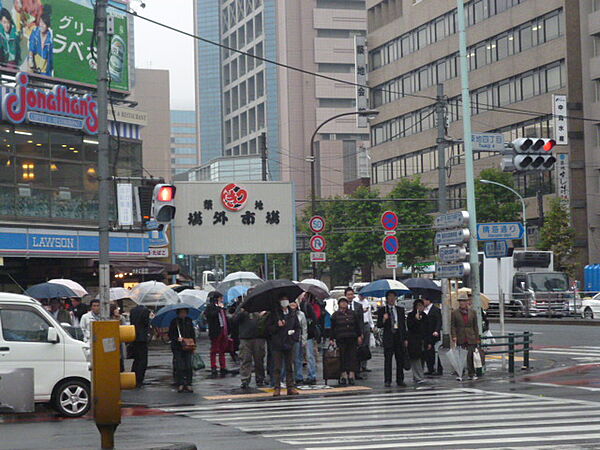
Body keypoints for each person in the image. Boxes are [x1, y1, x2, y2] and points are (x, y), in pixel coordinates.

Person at [267, 295, 300, 396]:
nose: (284, 301)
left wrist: (294, 337)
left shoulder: (292, 313)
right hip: (277, 343)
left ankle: (290, 387)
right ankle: (277, 387)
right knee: (277, 367)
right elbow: (269, 329)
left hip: (289, 342)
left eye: (286, 299)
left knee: (289, 366)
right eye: (282, 299)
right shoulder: (274, 314)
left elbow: (297, 327)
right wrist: (277, 325)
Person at [377, 290, 407, 387]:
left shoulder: (400, 310)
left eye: (393, 297)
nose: (391, 299)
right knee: (388, 360)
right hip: (389, 337)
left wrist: (405, 339)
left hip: (398, 336)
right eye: (389, 297)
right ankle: (387, 380)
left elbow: (403, 325)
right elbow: (379, 325)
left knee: (400, 359)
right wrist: (384, 319)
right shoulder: (383, 310)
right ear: (386, 299)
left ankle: (400, 379)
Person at [330, 297, 363, 386]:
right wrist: (331, 339)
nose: (344, 304)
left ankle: (351, 375)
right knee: (342, 356)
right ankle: (343, 374)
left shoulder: (352, 313)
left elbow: (357, 325)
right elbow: (332, 328)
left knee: (352, 356)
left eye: (345, 302)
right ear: (339, 304)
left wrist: (359, 335)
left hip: (352, 337)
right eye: (342, 303)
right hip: (340, 338)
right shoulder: (335, 315)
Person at [233, 304, 266, 389]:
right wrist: (243, 312)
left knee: (259, 360)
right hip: (245, 337)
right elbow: (235, 320)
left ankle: (260, 378)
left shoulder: (260, 306)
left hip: (258, 337)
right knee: (245, 359)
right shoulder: (242, 307)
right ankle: (245, 379)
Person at [451, 293, 480, 381]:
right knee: (461, 357)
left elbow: (475, 326)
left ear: (467, 302)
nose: (462, 303)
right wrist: (454, 336)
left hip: (471, 337)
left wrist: (477, 338)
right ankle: (460, 373)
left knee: (470, 356)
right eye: (460, 301)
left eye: (463, 301)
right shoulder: (455, 313)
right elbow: (453, 326)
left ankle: (471, 373)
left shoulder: (472, 312)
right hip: (460, 336)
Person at [168, 308, 195, 393]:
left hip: (188, 346)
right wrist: (176, 339)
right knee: (179, 365)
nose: (183, 314)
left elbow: (192, 333)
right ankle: (180, 383)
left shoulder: (189, 321)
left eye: (184, 312)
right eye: (181, 312)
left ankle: (189, 383)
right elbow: (170, 334)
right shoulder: (174, 322)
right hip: (177, 347)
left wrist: (193, 343)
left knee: (188, 365)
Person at [205, 292, 230, 377]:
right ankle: (213, 366)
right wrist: (218, 308)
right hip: (215, 331)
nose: (222, 300)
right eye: (220, 298)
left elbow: (225, 318)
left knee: (222, 349)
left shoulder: (222, 308)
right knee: (214, 350)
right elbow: (210, 315)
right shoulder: (210, 307)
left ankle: (223, 366)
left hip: (223, 330)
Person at [406, 299, 429, 384]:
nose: (420, 307)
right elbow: (410, 327)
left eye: (421, 306)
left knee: (422, 358)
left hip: (423, 340)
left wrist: (429, 341)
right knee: (415, 359)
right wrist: (416, 320)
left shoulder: (425, 316)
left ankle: (419, 376)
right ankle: (418, 376)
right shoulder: (411, 315)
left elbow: (428, 329)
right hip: (414, 341)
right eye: (418, 306)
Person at [298, 293, 318, 384]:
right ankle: (298, 376)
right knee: (298, 357)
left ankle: (312, 375)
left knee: (309, 355)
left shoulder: (306, 305)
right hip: (296, 336)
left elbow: (314, 319)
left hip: (308, 335)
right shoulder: (293, 307)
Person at [129, 303, 150, 387]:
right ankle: (140, 378)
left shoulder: (133, 310)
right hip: (142, 337)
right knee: (142, 359)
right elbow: (146, 323)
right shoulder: (145, 311)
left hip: (134, 335)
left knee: (136, 359)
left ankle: (133, 377)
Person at [28, 4, 53, 76]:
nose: (41, 25)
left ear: (48, 26)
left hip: (45, 70)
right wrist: (30, 60)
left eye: (44, 24)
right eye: (40, 22)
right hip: (34, 67)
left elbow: (51, 57)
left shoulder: (50, 38)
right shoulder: (35, 32)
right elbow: (31, 47)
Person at [289, 299, 307, 385]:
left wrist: (304, 339)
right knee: (287, 359)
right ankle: (286, 377)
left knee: (297, 359)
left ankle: (299, 377)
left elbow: (304, 327)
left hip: (297, 339)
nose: (293, 304)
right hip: (287, 339)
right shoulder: (286, 313)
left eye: (294, 302)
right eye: (291, 302)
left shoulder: (301, 314)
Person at [423, 296, 442, 375]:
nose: (423, 302)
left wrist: (436, 330)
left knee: (434, 351)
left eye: (424, 300)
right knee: (427, 352)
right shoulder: (423, 310)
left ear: (428, 300)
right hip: (426, 334)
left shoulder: (435, 310)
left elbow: (439, 321)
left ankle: (438, 368)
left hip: (433, 334)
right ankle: (430, 368)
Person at [356, 293, 374, 374]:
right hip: (359, 324)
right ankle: (358, 366)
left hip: (366, 324)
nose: (363, 297)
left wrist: (372, 324)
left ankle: (364, 365)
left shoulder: (367, 302)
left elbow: (369, 314)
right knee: (359, 345)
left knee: (366, 346)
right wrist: (362, 311)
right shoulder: (355, 302)